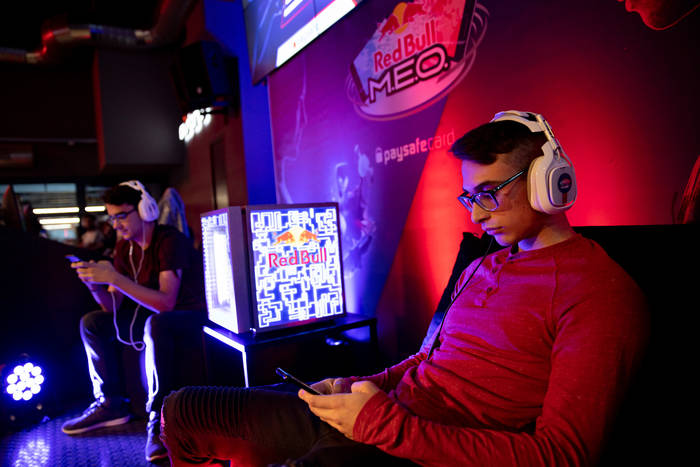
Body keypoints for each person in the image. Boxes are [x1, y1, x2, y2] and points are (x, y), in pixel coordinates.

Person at [159, 111, 649, 466]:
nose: (477, 215)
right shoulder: (483, 265)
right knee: (181, 411)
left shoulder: (598, 292)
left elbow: (561, 456)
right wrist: (361, 385)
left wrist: (383, 424)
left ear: (549, 182)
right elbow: (428, 361)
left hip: (418, 448)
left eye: (489, 194)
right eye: (470, 197)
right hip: (379, 418)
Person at [61, 180, 207, 463]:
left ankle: (160, 418)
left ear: (145, 210)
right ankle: (111, 403)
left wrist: (116, 278)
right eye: (111, 218)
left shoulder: (170, 241)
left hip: (189, 317)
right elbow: (111, 308)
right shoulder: (124, 248)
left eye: (121, 216)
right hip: (154, 318)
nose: (116, 225)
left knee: (156, 323)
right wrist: (95, 285)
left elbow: (166, 303)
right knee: (93, 322)